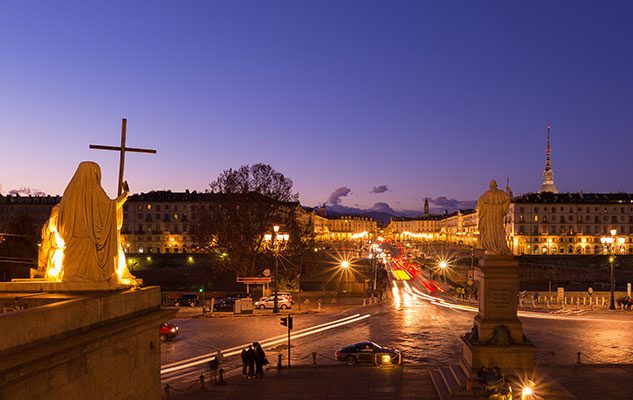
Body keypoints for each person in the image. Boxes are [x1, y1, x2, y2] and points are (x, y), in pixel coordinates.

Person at [477, 180, 512, 255]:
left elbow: (480, 201)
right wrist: (509, 193)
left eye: (493, 185)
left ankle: (495, 247)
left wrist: (509, 192)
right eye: (492, 185)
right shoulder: (499, 193)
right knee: (494, 229)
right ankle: (496, 246)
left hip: (492, 213)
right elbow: (508, 199)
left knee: (495, 229)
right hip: (495, 213)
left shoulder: (489, 194)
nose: (492, 186)